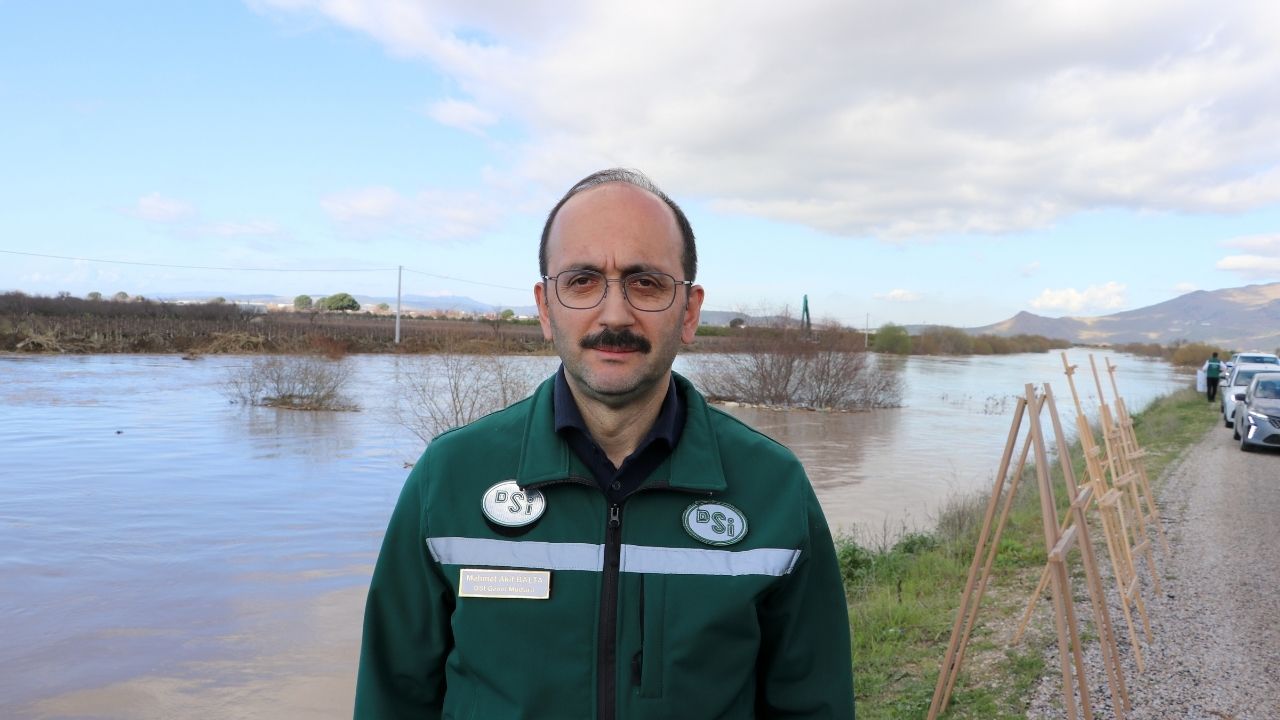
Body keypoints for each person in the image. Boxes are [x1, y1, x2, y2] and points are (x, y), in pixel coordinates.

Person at [354, 168, 855, 719]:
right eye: (583, 280)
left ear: (688, 312)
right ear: (546, 308)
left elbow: (815, 706)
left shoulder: (773, 488)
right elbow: (391, 699)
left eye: (646, 283)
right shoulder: (449, 477)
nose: (614, 314)